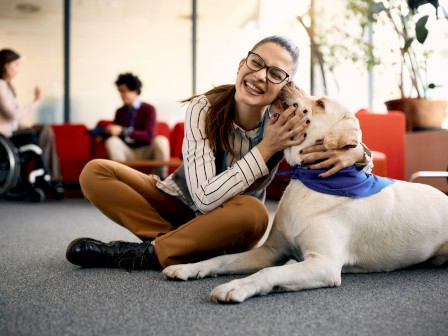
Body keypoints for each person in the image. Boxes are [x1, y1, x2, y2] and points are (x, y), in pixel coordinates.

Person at [66, 35, 373, 272]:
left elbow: (333, 132)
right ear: (241, 65)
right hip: (180, 201)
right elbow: (203, 198)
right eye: (256, 63)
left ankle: (152, 252)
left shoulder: (288, 118)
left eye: (276, 73)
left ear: (284, 85)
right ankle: (178, 246)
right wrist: (267, 147)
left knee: (254, 213)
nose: (261, 76)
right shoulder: (204, 107)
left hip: (232, 222)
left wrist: (358, 153)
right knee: (96, 171)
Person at [0, 48, 64, 197]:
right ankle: (50, 178)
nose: (18, 69)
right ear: (5, 65)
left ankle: (49, 177)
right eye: (16, 64)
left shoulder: (7, 87)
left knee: (44, 130)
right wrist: (36, 102)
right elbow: (13, 115)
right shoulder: (1, 85)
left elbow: (13, 121)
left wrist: (25, 126)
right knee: (44, 131)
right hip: (5, 138)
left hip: (11, 133)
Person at [102, 72, 170, 179]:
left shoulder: (149, 109)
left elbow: (149, 136)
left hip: (146, 150)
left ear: (136, 91)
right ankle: (122, 181)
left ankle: (161, 181)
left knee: (161, 140)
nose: (122, 94)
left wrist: (124, 130)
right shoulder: (119, 112)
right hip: (128, 151)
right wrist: (107, 133)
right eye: (120, 91)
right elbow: (118, 137)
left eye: (125, 91)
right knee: (111, 141)